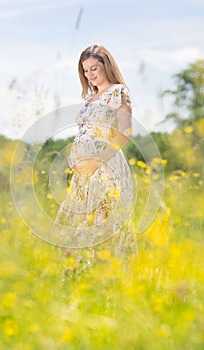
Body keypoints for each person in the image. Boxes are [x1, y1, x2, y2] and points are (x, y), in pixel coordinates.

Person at [53, 44, 137, 264]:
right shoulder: (91, 97)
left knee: (103, 223)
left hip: (105, 166)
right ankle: (82, 278)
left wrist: (96, 162)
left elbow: (125, 132)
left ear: (105, 66)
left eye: (94, 68)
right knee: (76, 223)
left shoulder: (119, 92)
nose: (90, 75)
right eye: (85, 70)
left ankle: (109, 280)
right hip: (84, 172)